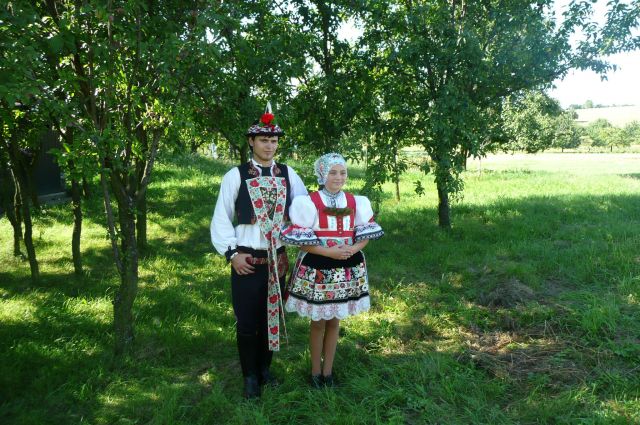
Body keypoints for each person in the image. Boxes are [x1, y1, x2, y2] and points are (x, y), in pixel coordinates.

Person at [210, 103, 307, 399]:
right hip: (247, 260)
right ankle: (249, 376)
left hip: (276, 260)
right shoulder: (236, 175)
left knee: (270, 319)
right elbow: (221, 217)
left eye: (273, 140)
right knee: (247, 321)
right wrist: (232, 254)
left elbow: (303, 211)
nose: (269, 145)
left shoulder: (289, 174)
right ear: (251, 141)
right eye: (264, 140)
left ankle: (265, 370)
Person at [280, 152, 384, 388]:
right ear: (322, 174)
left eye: (343, 172)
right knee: (318, 322)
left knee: (335, 320)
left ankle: (328, 372)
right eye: (333, 172)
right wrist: (329, 252)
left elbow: (364, 234)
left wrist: (352, 249)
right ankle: (315, 372)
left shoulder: (355, 201)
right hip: (319, 265)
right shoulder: (309, 202)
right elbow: (302, 242)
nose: (338, 177)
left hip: (346, 266)